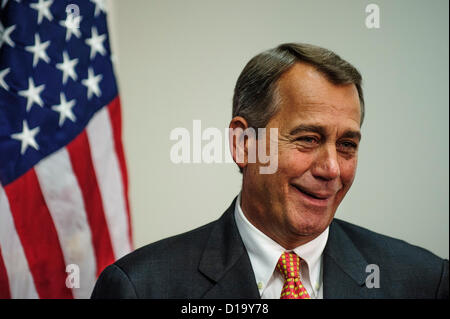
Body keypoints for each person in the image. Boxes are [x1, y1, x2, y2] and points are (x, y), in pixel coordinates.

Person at [91, 43, 448, 299]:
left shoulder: (424, 281)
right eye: (308, 139)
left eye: (347, 145)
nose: (331, 169)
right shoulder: (141, 287)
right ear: (244, 144)